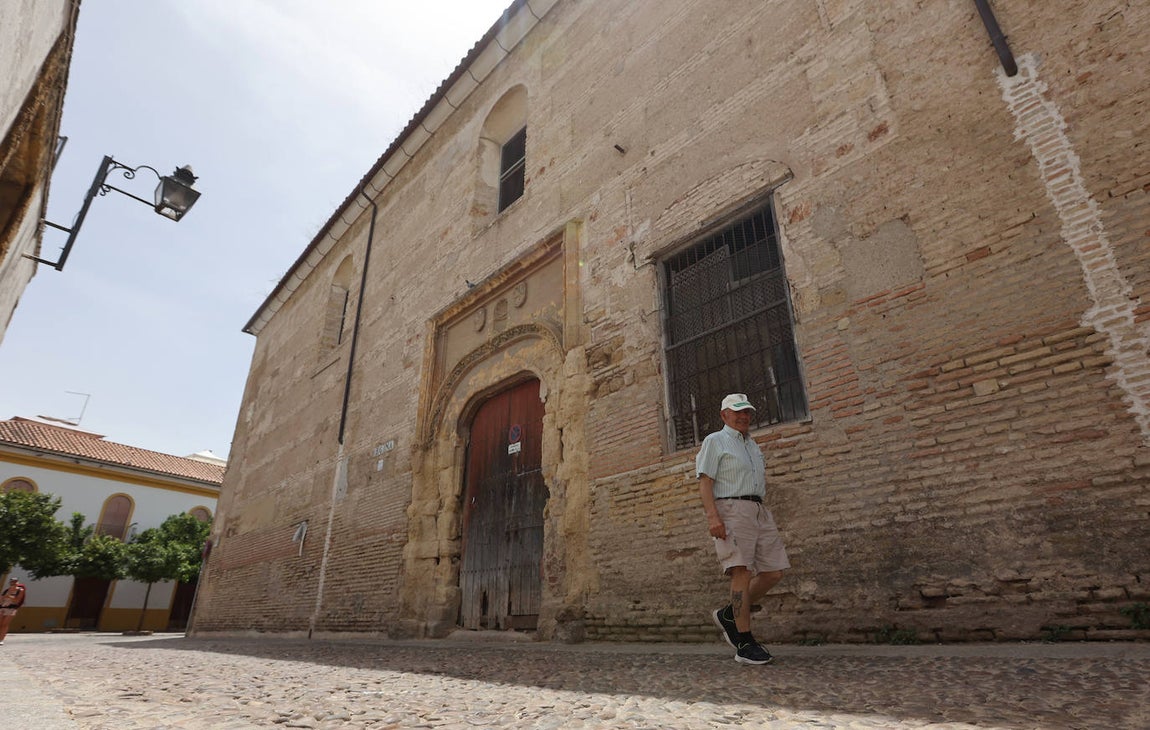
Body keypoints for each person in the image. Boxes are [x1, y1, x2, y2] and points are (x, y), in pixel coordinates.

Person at [696, 393, 789, 665]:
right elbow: (705, 482)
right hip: (731, 509)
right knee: (741, 571)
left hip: (758, 509)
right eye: (737, 411)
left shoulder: (752, 445)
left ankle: (729, 614)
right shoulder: (715, 441)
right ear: (724, 415)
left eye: (747, 411)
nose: (743, 416)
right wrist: (713, 517)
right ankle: (744, 642)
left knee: (773, 572)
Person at [0, 577, 26, 645]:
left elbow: (17, 600)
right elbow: (1, 599)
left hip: (11, 608)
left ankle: (1, 639)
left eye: (15, 581)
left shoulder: (20, 590)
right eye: (12, 581)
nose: (13, 583)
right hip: (2, 607)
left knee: (5, 624)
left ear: (18, 582)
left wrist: (9, 596)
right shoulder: (7, 590)